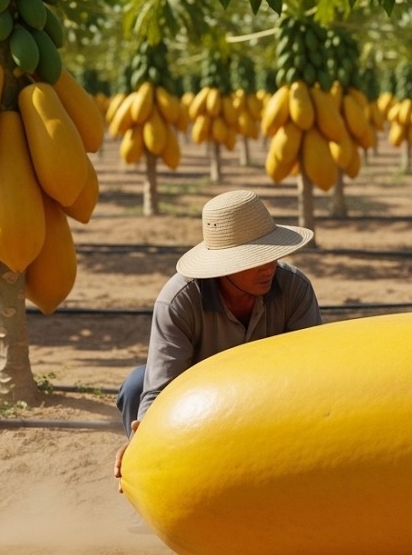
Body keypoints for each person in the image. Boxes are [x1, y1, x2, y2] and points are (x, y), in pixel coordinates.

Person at [114, 189, 321, 485]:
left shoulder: (295, 289)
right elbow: (159, 389)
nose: (268, 267)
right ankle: (153, 487)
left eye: (272, 255)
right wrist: (141, 448)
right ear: (224, 265)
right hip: (200, 410)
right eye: (255, 259)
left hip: (274, 403)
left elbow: (313, 375)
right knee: (136, 384)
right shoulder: (179, 301)